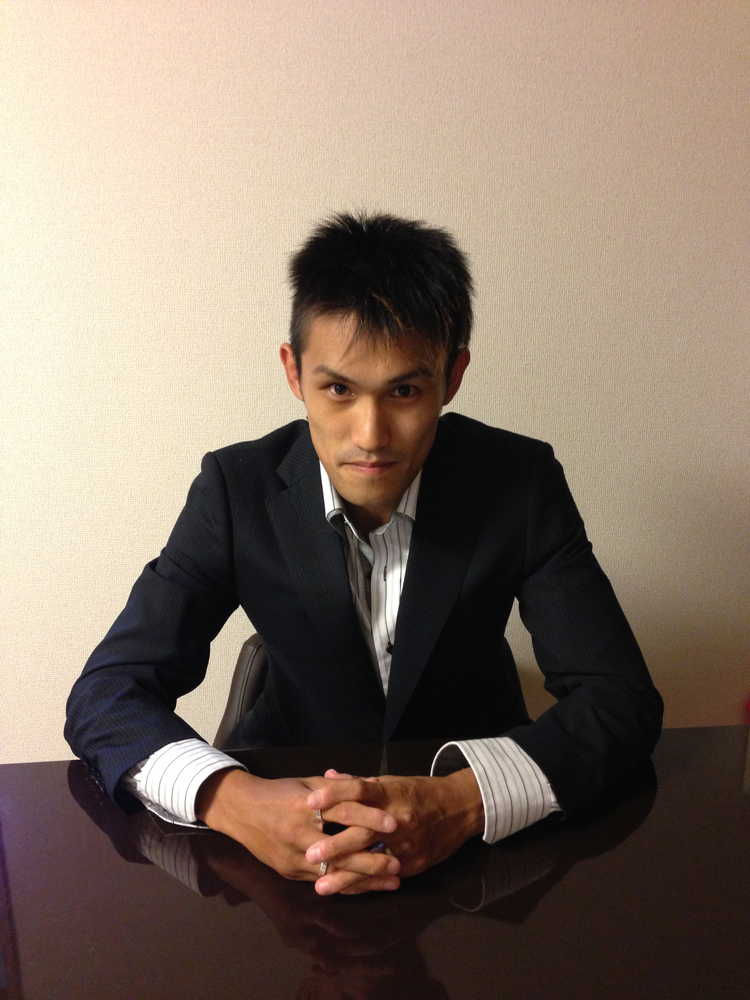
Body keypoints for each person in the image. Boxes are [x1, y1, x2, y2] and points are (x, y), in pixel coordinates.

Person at [65, 211, 663, 897]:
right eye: (339, 389)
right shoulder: (236, 489)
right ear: (294, 372)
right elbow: (105, 694)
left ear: (453, 375)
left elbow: (621, 701)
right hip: (284, 819)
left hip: (476, 846)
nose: (371, 435)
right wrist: (233, 799)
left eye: (405, 391)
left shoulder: (519, 482)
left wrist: (463, 801)